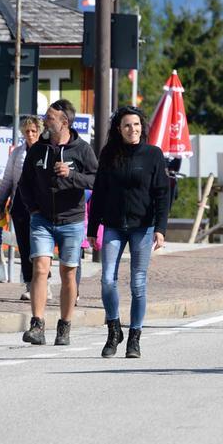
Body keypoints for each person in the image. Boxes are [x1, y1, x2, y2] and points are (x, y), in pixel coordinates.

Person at [88, 106, 170, 358]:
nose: (132, 129)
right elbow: (99, 192)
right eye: (126, 125)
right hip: (113, 226)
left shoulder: (153, 155)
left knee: (138, 283)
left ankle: (134, 337)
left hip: (142, 227)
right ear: (118, 129)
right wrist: (92, 229)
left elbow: (162, 193)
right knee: (107, 279)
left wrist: (160, 228)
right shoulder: (109, 154)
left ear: (142, 128)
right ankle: (114, 330)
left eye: (136, 125)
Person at [18, 99, 97, 346]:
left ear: (64, 122)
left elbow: (97, 179)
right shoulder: (37, 149)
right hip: (41, 219)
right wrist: (33, 209)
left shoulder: (82, 149)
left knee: (68, 274)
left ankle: (64, 326)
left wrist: (72, 175)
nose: (44, 121)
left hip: (72, 220)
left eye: (49, 118)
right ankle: (37, 325)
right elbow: (24, 182)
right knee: (40, 268)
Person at [0, 115, 46, 301]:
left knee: (39, 246)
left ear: (40, 132)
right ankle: (30, 284)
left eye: (34, 131)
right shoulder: (17, 153)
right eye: (27, 131)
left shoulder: (47, 150)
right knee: (24, 247)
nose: (30, 134)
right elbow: (8, 179)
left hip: (42, 206)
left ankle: (43, 285)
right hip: (21, 205)